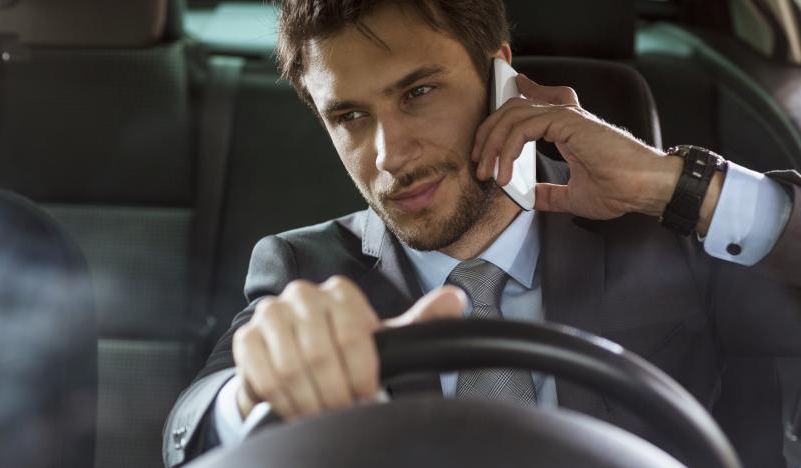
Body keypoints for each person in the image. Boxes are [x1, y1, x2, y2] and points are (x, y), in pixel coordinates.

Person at [163, 1, 801, 466]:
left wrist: (672, 185)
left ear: (500, 77)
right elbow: (189, 432)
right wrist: (254, 393)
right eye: (351, 116)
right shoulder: (305, 268)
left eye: (418, 92)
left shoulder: (669, 231)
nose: (390, 155)